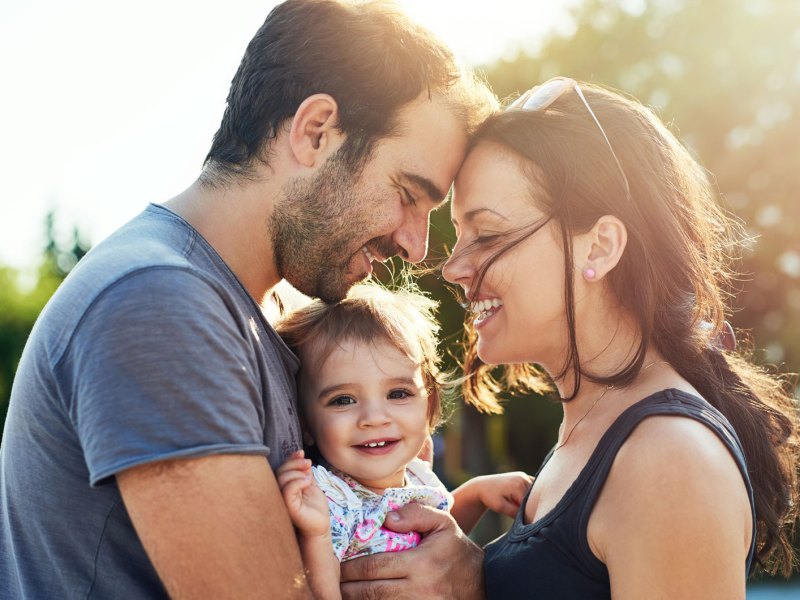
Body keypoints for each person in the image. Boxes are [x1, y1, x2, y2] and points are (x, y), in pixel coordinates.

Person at [0, 1, 496, 597]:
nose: (417, 248)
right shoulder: (159, 303)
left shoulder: (238, 315)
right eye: (408, 194)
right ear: (315, 131)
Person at [434, 77, 799, 597]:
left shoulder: (668, 458)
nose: (454, 268)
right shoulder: (592, 430)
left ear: (600, 247)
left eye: (487, 235)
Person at [274, 283, 533, 599]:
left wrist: (476, 494)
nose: (374, 417)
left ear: (430, 405)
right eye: (343, 400)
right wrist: (316, 535)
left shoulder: (416, 474)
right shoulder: (328, 500)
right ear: (305, 422)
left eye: (398, 394)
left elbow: (439, 540)